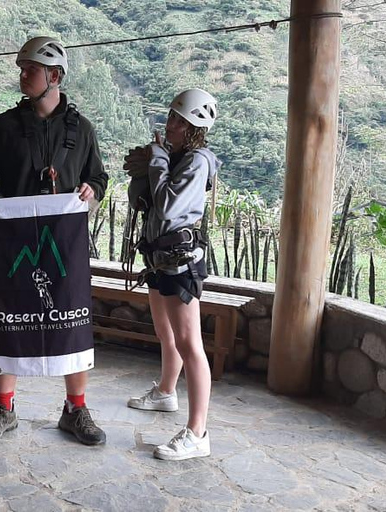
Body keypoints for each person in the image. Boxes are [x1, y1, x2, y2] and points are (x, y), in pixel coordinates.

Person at [0, 36, 109, 445]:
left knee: (72, 317)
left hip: (64, 244)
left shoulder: (81, 129)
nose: (22, 75)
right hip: (17, 244)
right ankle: (5, 407)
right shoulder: (4, 127)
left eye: (30, 69)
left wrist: (90, 191)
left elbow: (98, 176)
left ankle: (75, 408)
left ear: (55, 75)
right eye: (22, 68)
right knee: (10, 314)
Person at [124, 88, 220, 461]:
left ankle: (198, 431)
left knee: (189, 343)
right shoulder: (177, 158)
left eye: (181, 120)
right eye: (173, 116)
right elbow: (144, 202)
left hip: (180, 262)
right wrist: (146, 170)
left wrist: (158, 161)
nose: (172, 124)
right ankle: (166, 392)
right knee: (166, 333)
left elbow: (166, 209)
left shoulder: (195, 162)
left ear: (195, 127)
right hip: (159, 258)